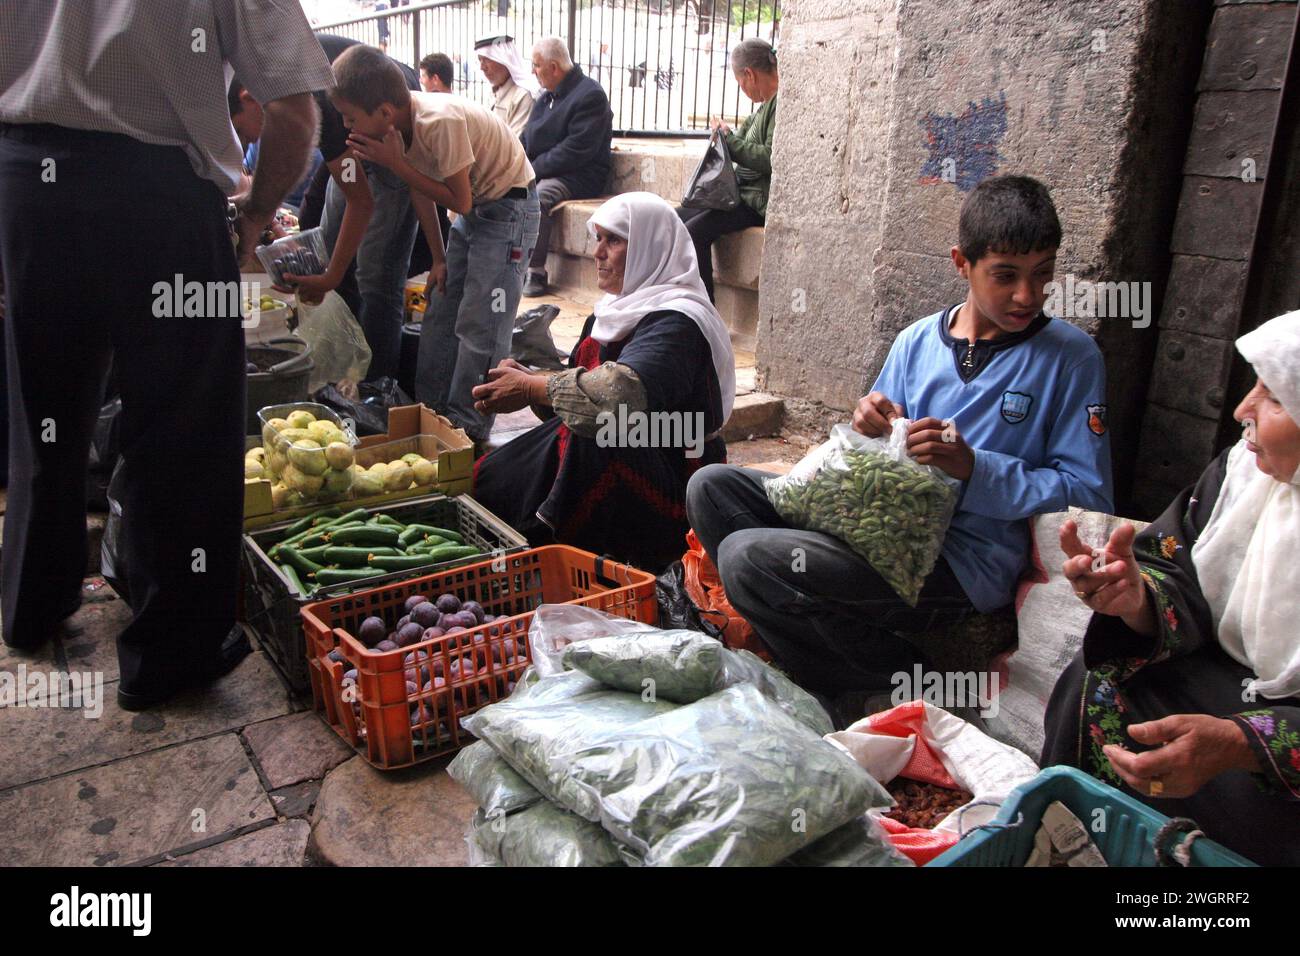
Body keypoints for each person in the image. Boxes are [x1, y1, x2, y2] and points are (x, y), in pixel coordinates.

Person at [0, 0, 331, 709]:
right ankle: (169, 656)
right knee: (184, 425)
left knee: (43, 408)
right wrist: (252, 212)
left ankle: (31, 603)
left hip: (28, 184)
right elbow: (296, 110)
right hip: (159, 201)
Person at [687, 176, 1113, 724]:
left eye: (1042, 276)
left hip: (959, 563)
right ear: (962, 263)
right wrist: (866, 425)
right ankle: (808, 650)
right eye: (1005, 276)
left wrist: (975, 469)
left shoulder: (1072, 359)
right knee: (713, 488)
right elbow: (880, 452)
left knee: (749, 559)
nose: (1026, 296)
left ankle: (891, 677)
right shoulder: (916, 341)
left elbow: (1089, 494)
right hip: (882, 529)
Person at [1041, 311, 1300, 866]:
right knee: (1094, 687)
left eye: (1274, 396)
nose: (1241, 411)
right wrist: (1135, 599)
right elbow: (1175, 569)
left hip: (1285, 731)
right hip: (1220, 677)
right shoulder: (1241, 475)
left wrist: (1240, 744)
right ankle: (1072, 851)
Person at [471, 193, 734, 570]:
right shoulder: (611, 313)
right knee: (497, 479)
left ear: (650, 248)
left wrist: (533, 387)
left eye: (614, 240)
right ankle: (503, 530)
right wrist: (531, 383)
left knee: (602, 432)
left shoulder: (678, 323)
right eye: (598, 239)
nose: (598, 253)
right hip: (631, 446)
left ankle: (548, 554)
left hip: (678, 481)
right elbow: (578, 397)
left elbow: (615, 398)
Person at [335, 45, 540, 443]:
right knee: (441, 311)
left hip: (508, 209)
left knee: (482, 321)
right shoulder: (398, 128)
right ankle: (431, 414)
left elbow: (458, 199)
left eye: (351, 117)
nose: (347, 126)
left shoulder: (436, 121)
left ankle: (469, 426)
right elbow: (421, 190)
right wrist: (440, 259)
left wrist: (396, 163)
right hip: (472, 212)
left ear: (383, 113)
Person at [231, 36, 438, 381]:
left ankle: (376, 392)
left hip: (385, 131)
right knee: (327, 250)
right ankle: (343, 370)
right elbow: (343, 183)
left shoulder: (314, 103)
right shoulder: (280, 90)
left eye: (243, 132)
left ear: (249, 99)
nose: (250, 142)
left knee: (376, 276)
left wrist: (331, 276)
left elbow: (361, 201)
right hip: (352, 121)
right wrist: (288, 243)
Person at [678, 37, 777, 303]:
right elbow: (740, 143)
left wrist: (729, 140)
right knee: (675, 218)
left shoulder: (779, 106)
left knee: (694, 231)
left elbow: (770, 158)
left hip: (755, 201)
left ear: (749, 74)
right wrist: (726, 136)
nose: (742, 88)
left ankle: (703, 309)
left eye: (740, 82)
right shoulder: (760, 111)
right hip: (741, 195)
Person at [521, 37, 613, 298]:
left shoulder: (590, 95)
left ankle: (536, 271)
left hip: (579, 174)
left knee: (536, 197)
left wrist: (532, 170)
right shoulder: (545, 97)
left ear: (554, 67)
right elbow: (527, 138)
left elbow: (576, 150)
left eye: (536, 65)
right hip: (545, 169)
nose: (532, 71)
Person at [475, 34, 537, 139]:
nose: (482, 67)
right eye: (480, 60)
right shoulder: (492, 92)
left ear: (504, 60)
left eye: (487, 60)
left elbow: (514, 143)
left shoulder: (523, 95)